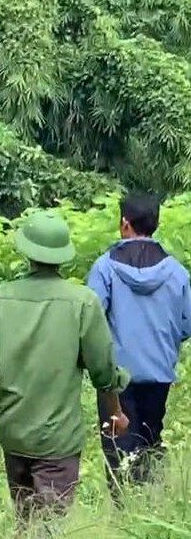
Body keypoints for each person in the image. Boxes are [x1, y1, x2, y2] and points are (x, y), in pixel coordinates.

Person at [0, 210, 130, 528]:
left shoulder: (2, 298)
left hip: (13, 432)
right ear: (62, 256)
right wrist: (115, 414)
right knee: (51, 529)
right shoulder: (83, 302)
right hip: (58, 439)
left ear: (26, 252)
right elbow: (104, 373)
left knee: (25, 521)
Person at [87, 193, 191, 496]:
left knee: (117, 444)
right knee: (149, 439)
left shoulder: (104, 268)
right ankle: (149, 503)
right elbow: (186, 323)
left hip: (115, 376)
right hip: (159, 372)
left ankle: (121, 511)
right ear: (155, 223)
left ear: (124, 224)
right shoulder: (176, 271)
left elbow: (91, 321)